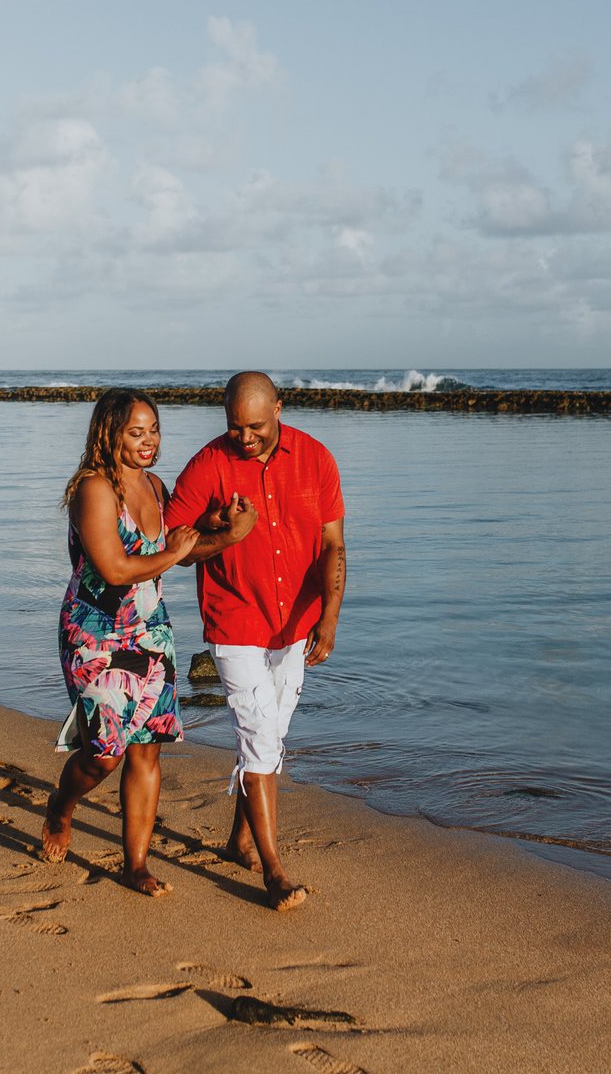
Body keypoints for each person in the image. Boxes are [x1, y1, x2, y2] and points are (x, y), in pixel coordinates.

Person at [42, 387, 255, 895]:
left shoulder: (157, 487)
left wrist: (220, 532)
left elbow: (178, 548)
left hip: (151, 631)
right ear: (109, 434)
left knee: (146, 751)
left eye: (154, 430)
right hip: (95, 635)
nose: (149, 441)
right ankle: (61, 806)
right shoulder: (94, 489)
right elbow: (116, 569)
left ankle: (135, 865)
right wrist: (176, 550)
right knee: (103, 755)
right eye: (136, 432)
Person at [166, 371, 346, 911]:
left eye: (256, 427)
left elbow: (333, 545)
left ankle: (238, 840)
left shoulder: (316, 459)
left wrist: (330, 615)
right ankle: (274, 872)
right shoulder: (207, 465)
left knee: (271, 736)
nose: (244, 438)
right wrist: (225, 534)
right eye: (235, 427)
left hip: (296, 624)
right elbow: (172, 548)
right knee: (261, 736)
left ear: (279, 410)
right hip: (235, 620)